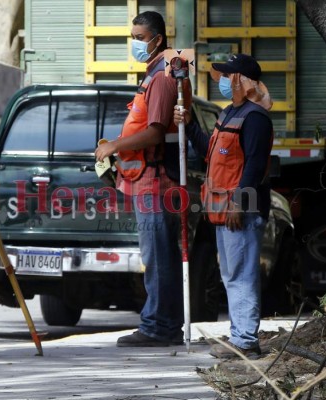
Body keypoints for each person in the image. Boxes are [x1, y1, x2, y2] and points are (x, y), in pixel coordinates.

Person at [95, 11, 191, 347]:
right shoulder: (151, 76)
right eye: (133, 37)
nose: (135, 43)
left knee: (159, 257)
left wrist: (114, 146)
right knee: (155, 255)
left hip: (156, 182)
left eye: (139, 38)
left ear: (157, 39)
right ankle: (158, 323)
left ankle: (159, 327)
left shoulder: (163, 78)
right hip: (145, 180)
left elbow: (153, 133)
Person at [174, 53, 273, 359]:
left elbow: (255, 166)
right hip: (221, 209)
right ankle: (239, 336)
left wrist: (239, 203)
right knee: (232, 276)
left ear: (242, 80)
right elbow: (210, 153)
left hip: (240, 210)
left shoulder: (255, 118)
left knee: (242, 275)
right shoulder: (229, 113)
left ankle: (245, 341)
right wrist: (190, 126)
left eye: (229, 77)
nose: (224, 83)